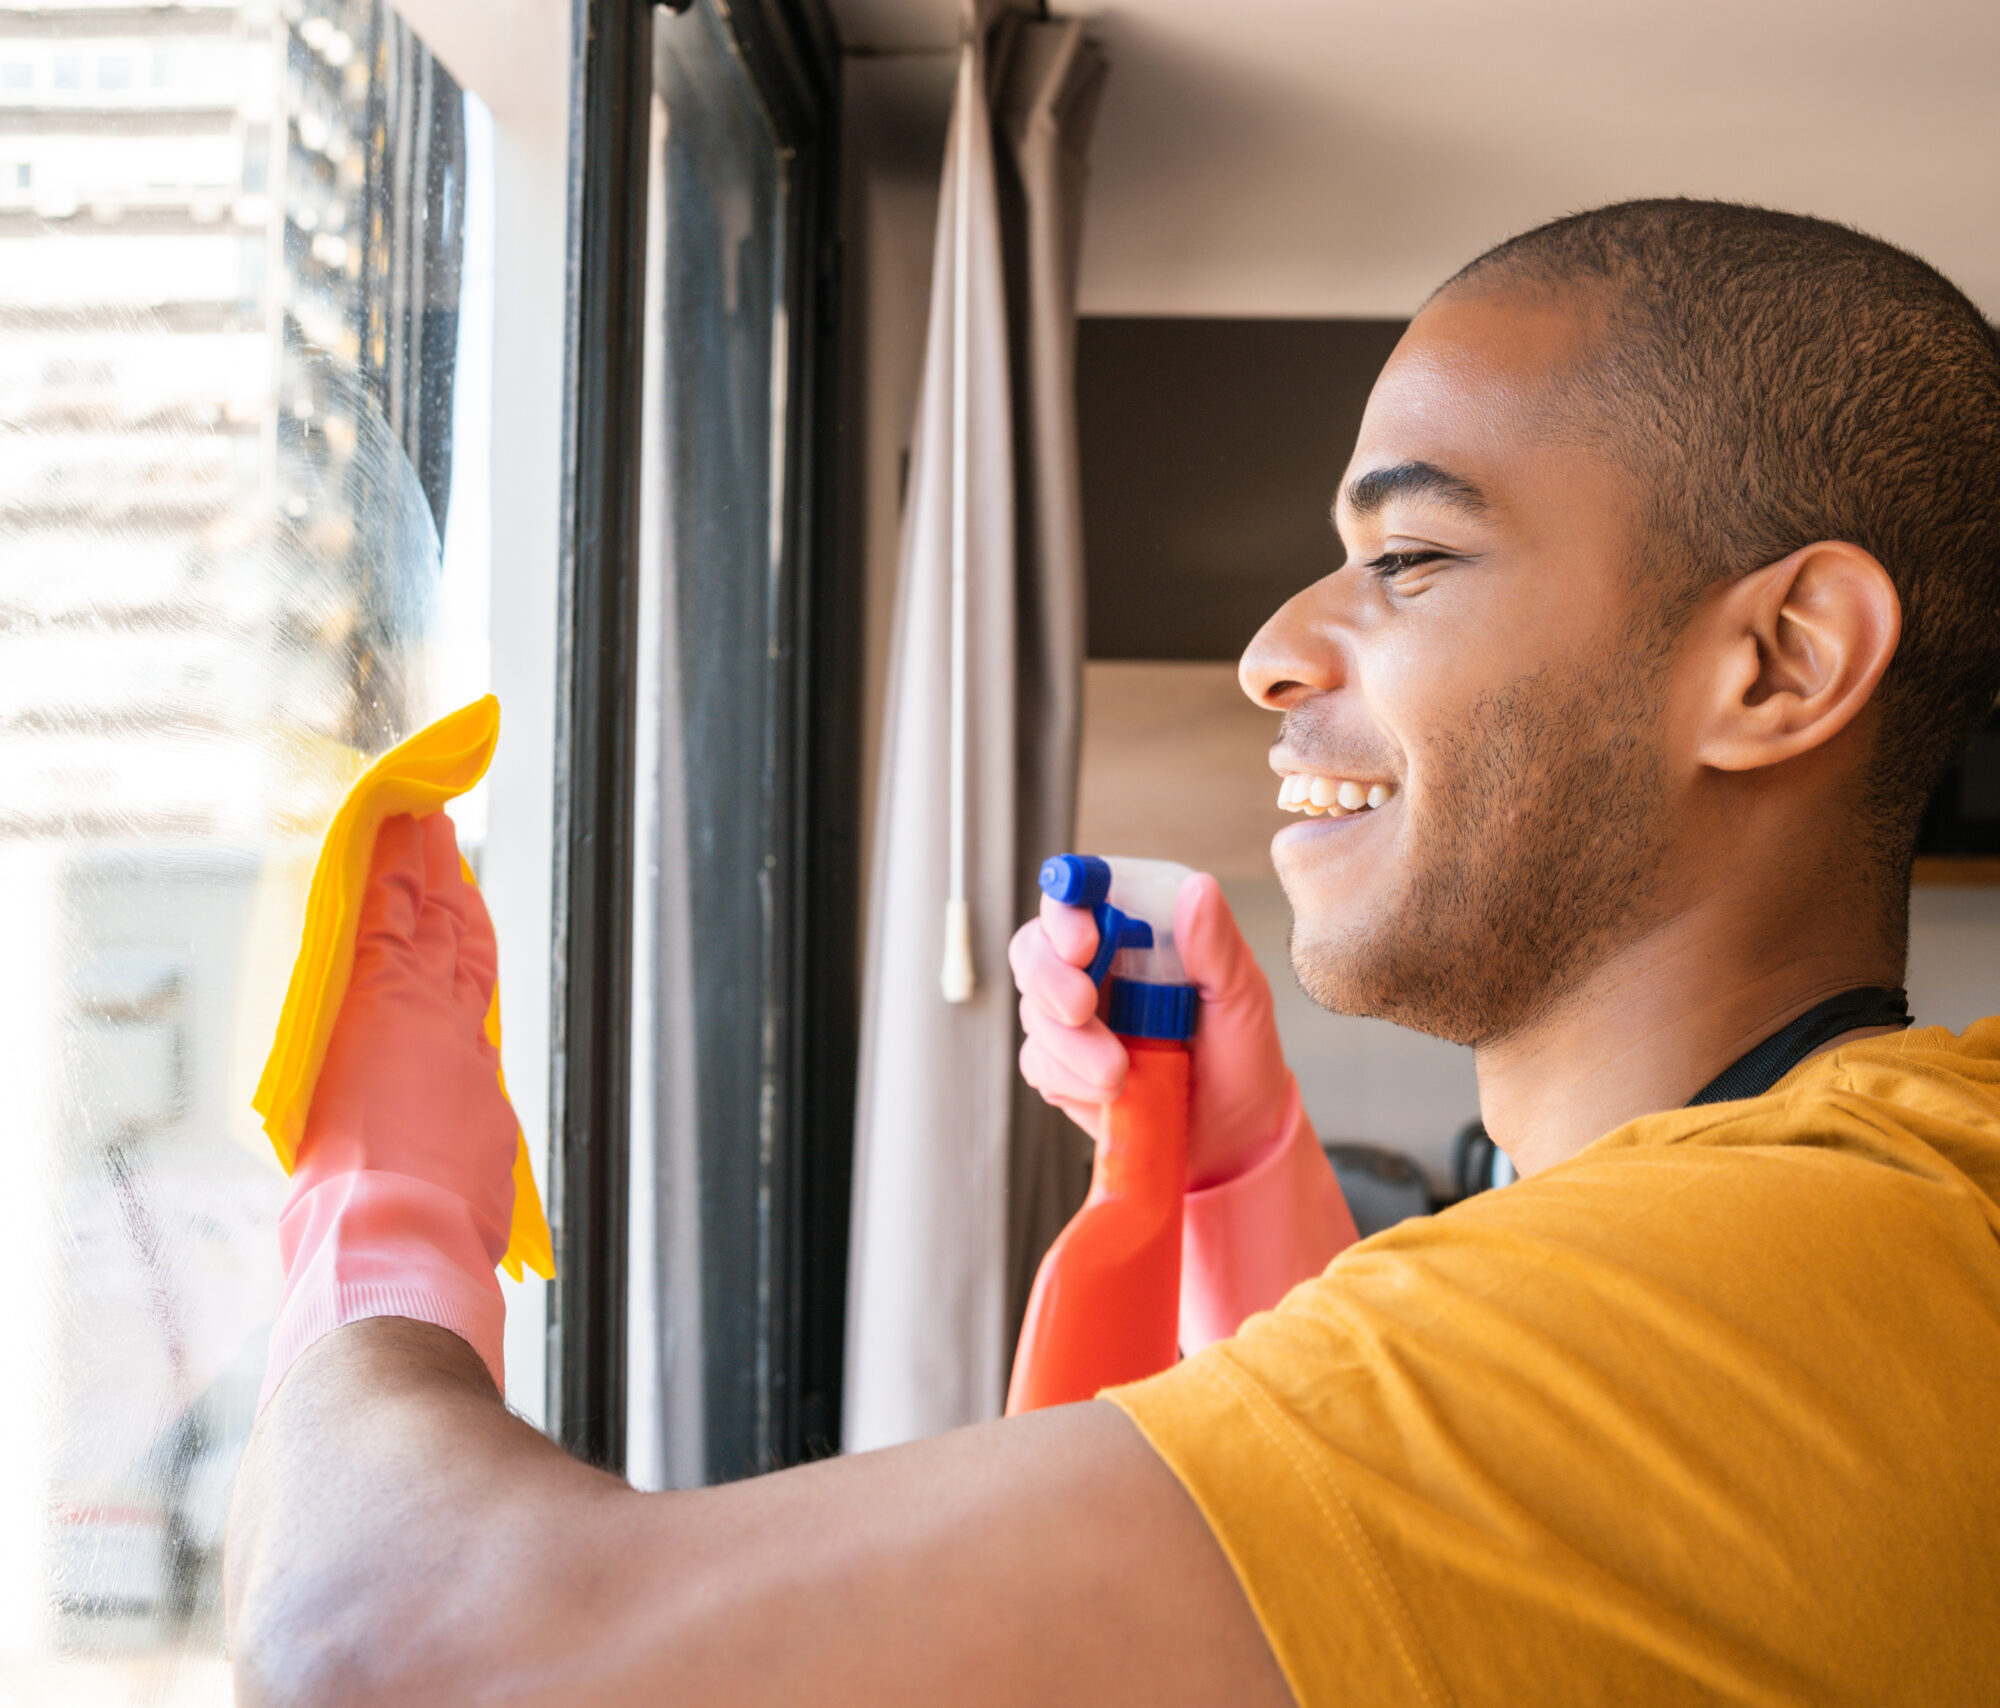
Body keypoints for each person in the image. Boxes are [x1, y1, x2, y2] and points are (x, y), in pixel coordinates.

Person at [225, 199, 2000, 1706]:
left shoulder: (1774, 1278)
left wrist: (384, 1209)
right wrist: (1245, 1172)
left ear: (1780, 664)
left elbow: (401, 1652)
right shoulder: (1857, 1253)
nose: (1276, 649)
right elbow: (1422, 1570)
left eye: (1413, 555)